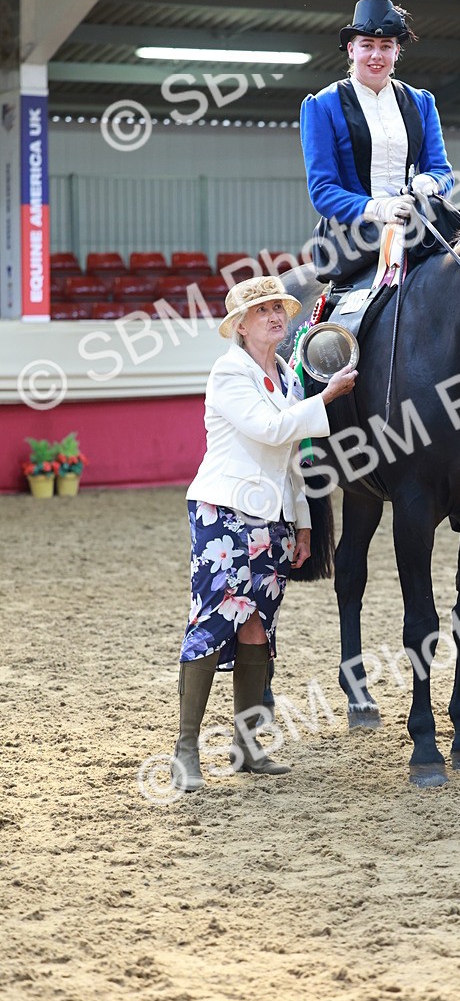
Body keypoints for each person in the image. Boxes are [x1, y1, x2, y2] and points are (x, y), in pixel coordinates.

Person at [171, 275, 356, 793]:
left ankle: (248, 746)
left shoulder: (285, 377)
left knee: (257, 627)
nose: (277, 317)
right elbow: (272, 430)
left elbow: (291, 460)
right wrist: (332, 396)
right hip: (222, 512)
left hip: (270, 517)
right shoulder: (230, 372)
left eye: (280, 309)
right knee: (212, 624)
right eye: (264, 311)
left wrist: (301, 524)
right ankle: (185, 752)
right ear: (242, 326)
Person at [299, 0, 455, 280]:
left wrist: (427, 183)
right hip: (355, 234)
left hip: (418, 221)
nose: (376, 55)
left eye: (386, 46)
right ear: (351, 49)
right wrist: (379, 208)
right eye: (367, 45)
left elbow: (443, 172)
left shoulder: (422, 102)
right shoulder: (322, 106)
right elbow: (323, 190)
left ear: (396, 52)